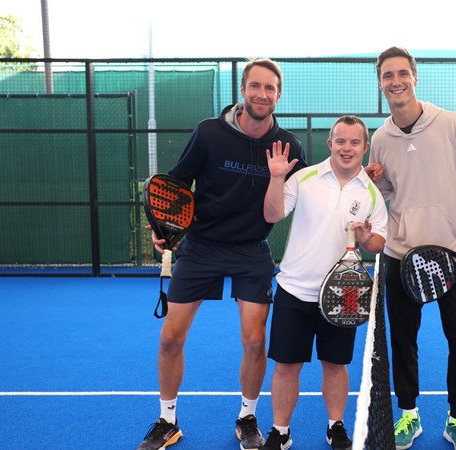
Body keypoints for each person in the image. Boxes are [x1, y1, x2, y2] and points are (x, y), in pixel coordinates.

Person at [136, 58, 307, 450]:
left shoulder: (289, 146)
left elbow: (313, 192)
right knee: (169, 338)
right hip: (200, 247)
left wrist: (362, 181)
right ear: (243, 91)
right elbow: (176, 185)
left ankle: (247, 417)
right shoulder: (209, 133)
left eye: (270, 88)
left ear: (278, 95)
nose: (262, 94)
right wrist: (165, 227)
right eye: (255, 86)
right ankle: (167, 421)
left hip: (251, 251)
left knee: (253, 341)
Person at [366, 47, 456, 450]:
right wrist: (376, 182)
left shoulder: (451, 123)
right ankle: (409, 415)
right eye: (388, 75)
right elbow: (389, 192)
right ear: (381, 82)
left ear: (415, 77)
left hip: (454, 255)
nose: (396, 81)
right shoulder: (381, 137)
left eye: (402, 73)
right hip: (401, 255)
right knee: (403, 340)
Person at [259, 115, 388, 450]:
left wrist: (366, 239)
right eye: (340, 141)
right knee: (287, 366)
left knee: (336, 365)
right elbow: (272, 214)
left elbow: (379, 244)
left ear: (365, 147)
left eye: (354, 142)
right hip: (294, 289)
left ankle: (336, 427)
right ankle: (280, 432)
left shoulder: (372, 194)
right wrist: (276, 178)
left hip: (344, 295)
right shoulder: (304, 178)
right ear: (330, 144)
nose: (347, 148)